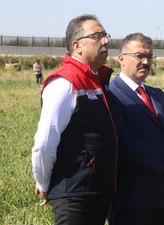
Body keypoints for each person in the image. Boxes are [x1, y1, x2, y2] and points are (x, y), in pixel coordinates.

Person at [31, 14, 117, 225]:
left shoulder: (96, 79)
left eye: (105, 35)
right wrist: (43, 182)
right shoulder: (65, 82)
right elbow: (44, 142)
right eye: (97, 36)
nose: (105, 41)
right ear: (77, 45)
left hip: (95, 189)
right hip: (74, 192)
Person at [107, 33, 164, 225]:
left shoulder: (157, 94)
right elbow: (125, 140)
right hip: (131, 199)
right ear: (121, 59)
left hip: (159, 196)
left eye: (149, 57)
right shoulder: (110, 95)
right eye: (139, 56)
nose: (145, 61)